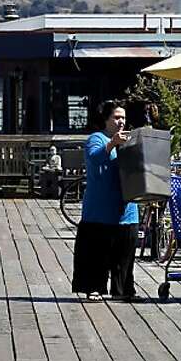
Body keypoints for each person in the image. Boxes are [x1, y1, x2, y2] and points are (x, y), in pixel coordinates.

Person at [71, 101, 138, 301]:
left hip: (126, 209)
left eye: (123, 118)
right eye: (116, 117)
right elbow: (95, 158)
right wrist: (111, 144)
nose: (121, 122)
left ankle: (124, 290)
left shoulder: (128, 140)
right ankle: (94, 288)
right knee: (97, 253)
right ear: (106, 119)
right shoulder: (96, 139)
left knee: (124, 255)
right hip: (100, 210)